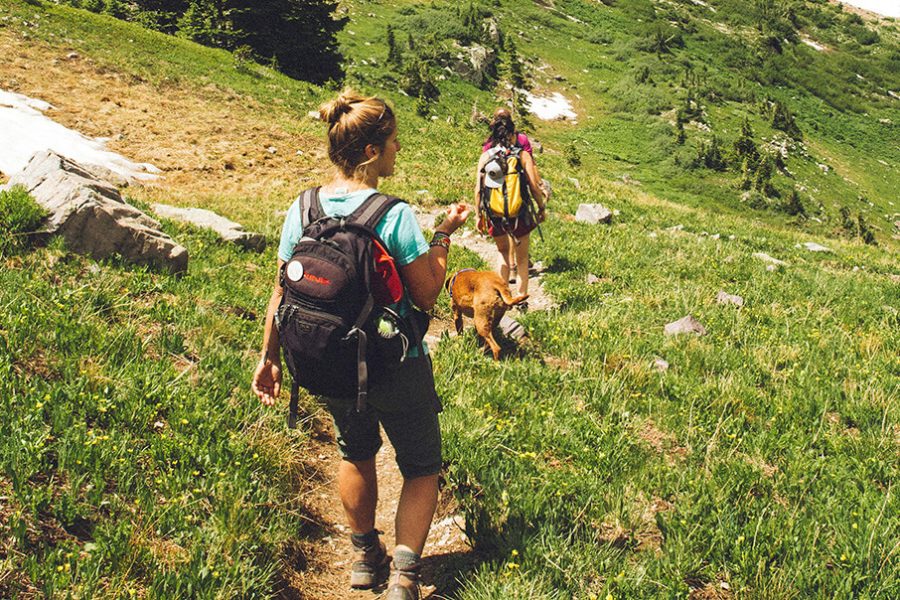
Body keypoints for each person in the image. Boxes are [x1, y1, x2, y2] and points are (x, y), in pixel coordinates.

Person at [251, 89, 469, 600]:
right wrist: (442, 236)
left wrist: (269, 357)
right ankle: (405, 577)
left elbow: (281, 290)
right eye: (393, 142)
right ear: (372, 152)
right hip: (395, 363)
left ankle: (365, 557)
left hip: (330, 361)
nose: (398, 150)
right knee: (421, 467)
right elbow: (426, 292)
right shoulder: (391, 214)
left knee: (355, 453)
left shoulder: (303, 207)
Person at [475, 110, 546, 301]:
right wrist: (541, 208)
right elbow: (533, 186)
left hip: (494, 213)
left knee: (502, 252)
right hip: (519, 212)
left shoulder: (486, 156)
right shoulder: (522, 155)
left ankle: (502, 297)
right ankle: (521, 298)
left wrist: (478, 216)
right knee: (522, 259)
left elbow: (478, 189)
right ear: (513, 133)